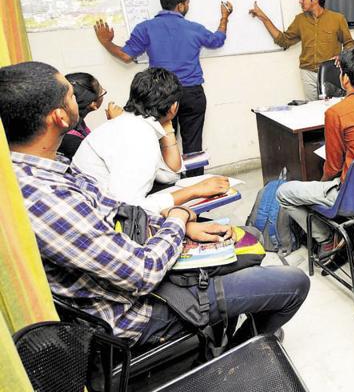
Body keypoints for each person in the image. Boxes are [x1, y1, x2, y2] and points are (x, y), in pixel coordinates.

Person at [0, 61, 310, 346]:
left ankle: (240, 323)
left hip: (128, 263)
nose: (75, 97)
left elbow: (123, 206)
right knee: (292, 281)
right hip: (138, 309)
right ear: (58, 115)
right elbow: (143, 269)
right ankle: (242, 348)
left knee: (244, 243)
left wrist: (182, 226)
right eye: (69, 93)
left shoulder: (41, 170)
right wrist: (177, 219)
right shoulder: (48, 197)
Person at [94, 0, 233, 176]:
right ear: (181, 6)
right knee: (193, 144)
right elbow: (217, 40)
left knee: (164, 142)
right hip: (192, 93)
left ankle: (169, 184)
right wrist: (224, 18)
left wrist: (106, 42)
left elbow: (126, 56)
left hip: (161, 95)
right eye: (187, 2)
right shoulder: (194, 29)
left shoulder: (146, 28)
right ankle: (196, 187)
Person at [277, 47, 354, 253]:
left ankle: (326, 238)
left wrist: (321, 186)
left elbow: (332, 167)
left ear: (346, 79)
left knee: (283, 193)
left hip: (352, 196)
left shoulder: (336, 113)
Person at [73, 67, 230, 215]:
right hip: (107, 218)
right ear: (174, 107)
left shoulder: (132, 124)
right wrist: (195, 190)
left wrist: (168, 126)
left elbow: (169, 175)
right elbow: (129, 209)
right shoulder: (140, 137)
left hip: (93, 208)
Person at [249, 0, 354, 101]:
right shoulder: (300, 20)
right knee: (312, 110)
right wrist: (263, 18)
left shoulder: (337, 19)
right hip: (307, 73)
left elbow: (350, 43)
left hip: (331, 72)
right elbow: (283, 41)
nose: (300, 1)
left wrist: (341, 56)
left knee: (332, 107)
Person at [58, 72, 123, 160]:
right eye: (102, 93)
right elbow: (105, 159)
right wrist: (115, 125)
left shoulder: (70, 122)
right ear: (93, 104)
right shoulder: (71, 141)